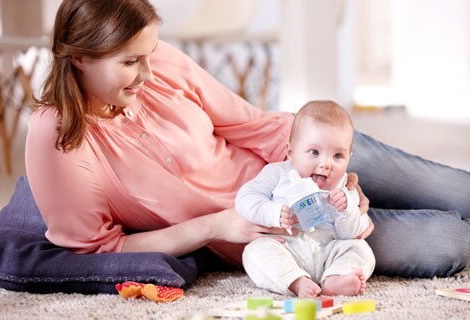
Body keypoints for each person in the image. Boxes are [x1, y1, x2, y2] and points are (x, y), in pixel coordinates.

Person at [25, 0, 469, 280]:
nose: (148, 73)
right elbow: (102, 248)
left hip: (303, 152)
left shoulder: (157, 62)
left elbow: (250, 125)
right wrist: (214, 227)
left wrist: (323, 166)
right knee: (450, 241)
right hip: (283, 235)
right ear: (81, 58)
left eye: (149, 55)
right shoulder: (59, 139)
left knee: (456, 191)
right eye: (130, 62)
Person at [236, 100, 375, 297]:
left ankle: (335, 279)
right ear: (291, 153)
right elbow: (245, 198)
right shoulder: (278, 173)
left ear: (349, 158)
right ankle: (295, 281)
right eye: (314, 152)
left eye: (337, 156)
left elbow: (352, 233)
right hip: (288, 247)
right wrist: (274, 213)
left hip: (329, 249)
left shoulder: (344, 187)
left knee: (360, 248)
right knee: (255, 251)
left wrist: (347, 210)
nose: (326, 164)